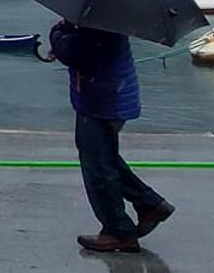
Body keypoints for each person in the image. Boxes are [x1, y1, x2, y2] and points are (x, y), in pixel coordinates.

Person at [44, 19, 174, 253]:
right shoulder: (106, 11)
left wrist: (57, 33)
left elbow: (76, 52)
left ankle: (118, 231)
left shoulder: (96, 19)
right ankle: (149, 203)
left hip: (102, 99)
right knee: (104, 158)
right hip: (106, 95)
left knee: (98, 167)